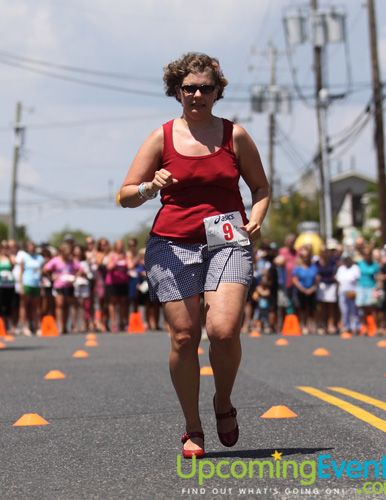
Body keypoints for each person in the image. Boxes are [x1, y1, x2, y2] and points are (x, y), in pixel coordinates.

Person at [119, 52, 270, 458]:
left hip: (227, 240)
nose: (197, 94)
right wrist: (151, 186)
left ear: (218, 91)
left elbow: (261, 188)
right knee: (185, 337)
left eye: (205, 87)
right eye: (189, 88)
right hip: (171, 243)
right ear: (176, 92)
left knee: (223, 330)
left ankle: (223, 401)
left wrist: (256, 219)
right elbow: (125, 196)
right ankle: (192, 426)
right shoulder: (161, 137)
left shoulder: (235, 135)